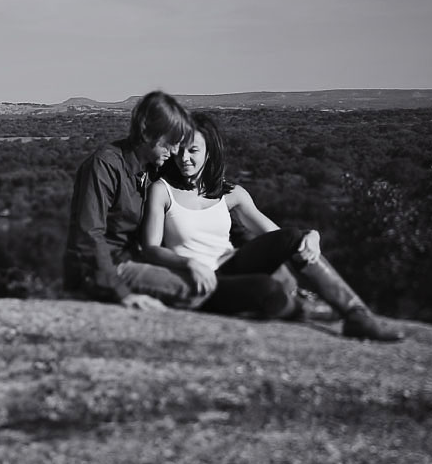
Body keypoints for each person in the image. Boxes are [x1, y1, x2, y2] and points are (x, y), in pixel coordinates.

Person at [139, 112, 404, 341]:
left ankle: (357, 315)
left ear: (209, 152)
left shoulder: (232, 194)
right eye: (180, 149)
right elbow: (151, 248)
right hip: (201, 282)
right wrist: (189, 264)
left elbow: (279, 238)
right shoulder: (162, 191)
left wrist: (312, 236)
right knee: (265, 288)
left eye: (193, 150)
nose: (184, 157)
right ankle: (308, 310)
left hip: (233, 265)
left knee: (293, 237)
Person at [63, 91, 208, 310]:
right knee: (191, 290)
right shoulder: (105, 165)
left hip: (134, 257)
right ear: (147, 134)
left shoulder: (152, 168)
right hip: (104, 267)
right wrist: (123, 294)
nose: (175, 151)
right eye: (170, 143)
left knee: (206, 277)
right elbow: (89, 235)